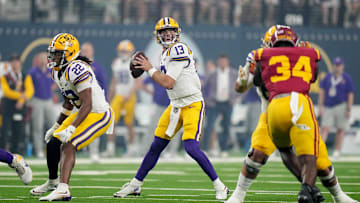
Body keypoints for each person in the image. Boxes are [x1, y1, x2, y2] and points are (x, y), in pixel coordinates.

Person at [227, 25, 357, 203]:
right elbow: (241, 87)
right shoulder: (261, 59)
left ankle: (338, 195)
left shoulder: (296, 56)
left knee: (322, 164)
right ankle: (238, 195)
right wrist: (242, 81)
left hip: (297, 109)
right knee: (257, 154)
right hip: (270, 113)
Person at [113, 17, 229, 200]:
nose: (168, 34)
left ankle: (219, 185)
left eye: (171, 31)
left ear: (177, 33)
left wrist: (149, 68)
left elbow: (168, 82)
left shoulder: (178, 49)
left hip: (192, 103)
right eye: (163, 32)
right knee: (156, 146)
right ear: (158, 36)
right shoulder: (165, 53)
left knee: (191, 147)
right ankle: (135, 185)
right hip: (175, 105)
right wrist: (150, 69)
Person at [31, 33, 114, 201]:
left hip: (99, 114)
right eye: (52, 53)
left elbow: (88, 104)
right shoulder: (57, 71)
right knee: (54, 141)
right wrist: (57, 125)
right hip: (82, 111)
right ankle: (53, 181)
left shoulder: (78, 68)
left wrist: (72, 127)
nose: (53, 57)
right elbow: (69, 100)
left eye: (57, 53)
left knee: (69, 144)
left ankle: (64, 189)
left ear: (69, 53)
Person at [104, 39, 141, 157]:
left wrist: (130, 94)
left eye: (126, 51)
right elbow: (114, 81)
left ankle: (131, 148)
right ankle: (110, 148)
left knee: (129, 123)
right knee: (111, 122)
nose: (124, 53)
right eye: (122, 51)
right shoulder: (116, 63)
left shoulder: (134, 63)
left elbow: (138, 81)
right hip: (119, 95)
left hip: (129, 96)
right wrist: (110, 96)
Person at [318, 56, 354, 159]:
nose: (337, 67)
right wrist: (320, 107)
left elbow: (350, 94)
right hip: (328, 106)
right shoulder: (328, 77)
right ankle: (320, 150)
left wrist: (349, 109)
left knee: (340, 129)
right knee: (325, 128)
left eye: (339, 65)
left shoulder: (346, 78)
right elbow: (322, 92)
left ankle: (337, 151)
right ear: (333, 66)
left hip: (341, 105)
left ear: (342, 66)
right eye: (335, 65)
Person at [202, 54, 238, 157]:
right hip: (214, 103)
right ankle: (205, 148)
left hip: (228, 103)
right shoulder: (212, 73)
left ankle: (224, 149)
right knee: (209, 126)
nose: (222, 63)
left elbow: (240, 85)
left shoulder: (233, 73)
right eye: (221, 61)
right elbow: (204, 87)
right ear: (218, 62)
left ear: (227, 62)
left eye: (224, 61)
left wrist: (236, 98)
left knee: (226, 126)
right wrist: (207, 99)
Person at [80, 42, 108, 162]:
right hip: (79, 101)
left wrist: (103, 99)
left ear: (92, 52)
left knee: (93, 127)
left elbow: (103, 84)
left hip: (93, 101)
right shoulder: (77, 65)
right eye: (83, 50)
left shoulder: (97, 67)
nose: (85, 52)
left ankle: (93, 152)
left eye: (87, 50)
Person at [0, 54, 34, 154]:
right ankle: (2, 153)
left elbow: (30, 91)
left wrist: (22, 100)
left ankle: (16, 153)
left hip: (20, 107)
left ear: (20, 64)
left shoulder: (25, 76)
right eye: (13, 62)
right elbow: (6, 92)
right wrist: (20, 96)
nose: (15, 64)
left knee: (18, 131)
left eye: (17, 62)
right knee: (5, 131)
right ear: (10, 64)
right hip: (8, 107)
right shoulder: (5, 77)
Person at [28, 52, 57, 158]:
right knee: (38, 127)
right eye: (40, 58)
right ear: (37, 60)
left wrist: (52, 89)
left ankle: (53, 148)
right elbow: (28, 86)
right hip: (37, 101)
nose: (42, 61)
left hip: (48, 100)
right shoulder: (32, 72)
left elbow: (57, 82)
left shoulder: (50, 71)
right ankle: (39, 150)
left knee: (53, 125)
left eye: (44, 58)